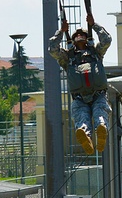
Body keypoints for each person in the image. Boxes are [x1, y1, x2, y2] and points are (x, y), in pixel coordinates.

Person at [48, 13, 112, 155]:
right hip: (80, 98)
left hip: (98, 95)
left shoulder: (96, 52)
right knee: (81, 118)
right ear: (73, 40)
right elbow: (52, 49)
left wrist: (93, 24)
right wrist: (61, 31)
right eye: (76, 35)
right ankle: (85, 136)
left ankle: (101, 130)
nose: (79, 36)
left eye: (82, 34)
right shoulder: (67, 57)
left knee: (100, 113)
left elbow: (107, 40)